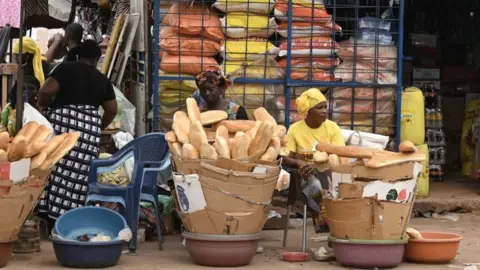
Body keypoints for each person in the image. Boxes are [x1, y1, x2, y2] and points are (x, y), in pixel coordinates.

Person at [36, 40, 118, 228]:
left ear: (79, 55)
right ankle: (69, 219)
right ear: (97, 59)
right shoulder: (101, 78)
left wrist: (45, 105)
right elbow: (112, 109)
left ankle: (49, 215)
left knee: (54, 169)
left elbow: (46, 91)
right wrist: (98, 125)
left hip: (63, 125)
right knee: (78, 176)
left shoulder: (64, 68)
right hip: (89, 131)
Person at [282, 88, 345, 233]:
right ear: (308, 111)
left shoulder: (332, 127)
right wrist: (299, 163)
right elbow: (286, 157)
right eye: (319, 108)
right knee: (313, 183)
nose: (324, 111)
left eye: (325, 107)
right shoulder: (295, 129)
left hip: (330, 173)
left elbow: (340, 153)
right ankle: (320, 218)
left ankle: (335, 218)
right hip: (306, 175)